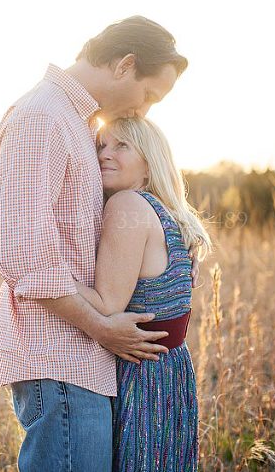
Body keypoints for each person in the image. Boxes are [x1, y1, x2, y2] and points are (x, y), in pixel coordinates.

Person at [0, 16, 196, 471]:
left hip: (80, 360)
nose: (144, 111)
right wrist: (100, 327)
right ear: (125, 65)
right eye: (150, 95)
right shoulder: (44, 117)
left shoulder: (77, 124)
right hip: (58, 355)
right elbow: (21, 251)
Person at [76, 117, 211, 471]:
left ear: (149, 160)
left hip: (141, 375)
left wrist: (45, 274)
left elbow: (108, 305)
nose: (105, 154)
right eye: (102, 145)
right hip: (173, 371)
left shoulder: (127, 204)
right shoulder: (170, 215)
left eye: (121, 145)